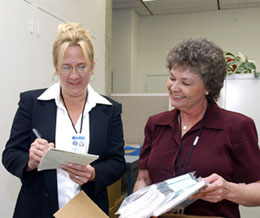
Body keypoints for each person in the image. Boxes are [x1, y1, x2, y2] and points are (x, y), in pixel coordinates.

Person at [2, 23, 126, 218]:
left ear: (92, 66)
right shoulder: (32, 103)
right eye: (66, 67)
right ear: (56, 66)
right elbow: (10, 155)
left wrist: (94, 174)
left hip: (89, 210)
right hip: (38, 209)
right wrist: (31, 161)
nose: (74, 76)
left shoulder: (109, 110)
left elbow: (117, 162)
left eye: (81, 67)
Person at [133, 37, 260, 217]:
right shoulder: (156, 124)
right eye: (172, 78)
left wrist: (228, 190)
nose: (174, 87)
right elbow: (143, 178)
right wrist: (140, 204)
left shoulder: (237, 127)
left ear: (208, 87)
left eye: (185, 83)